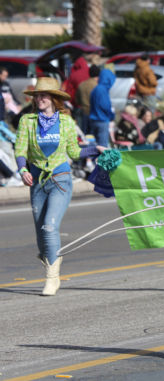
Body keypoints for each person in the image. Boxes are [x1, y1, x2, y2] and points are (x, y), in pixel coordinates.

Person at [14, 77, 106, 296]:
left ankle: (52, 279)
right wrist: (23, 170)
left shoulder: (65, 122)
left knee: (49, 226)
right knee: (40, 236)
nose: (40, 99)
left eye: (44, 95)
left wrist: (95, 149)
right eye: (37, 95)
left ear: (54, 98)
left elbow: (74, 152)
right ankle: (50, 265)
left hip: (61, 180)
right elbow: (19, 150)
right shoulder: (27, 121)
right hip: (37, 182)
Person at [88, 68, 116, 147]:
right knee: (103, 146)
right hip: (102, 120)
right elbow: (105, 106)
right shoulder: (102, 90)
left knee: (93, 145)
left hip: (93, 120)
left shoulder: (96, 89)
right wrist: (112, 115)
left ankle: (92, 159)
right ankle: (101, 159)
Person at [75, 64, 100, 134]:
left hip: (84, 113)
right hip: (95, 114)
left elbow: (77, 101)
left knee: (84, 136)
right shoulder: (98, 86)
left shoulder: (82, 84)